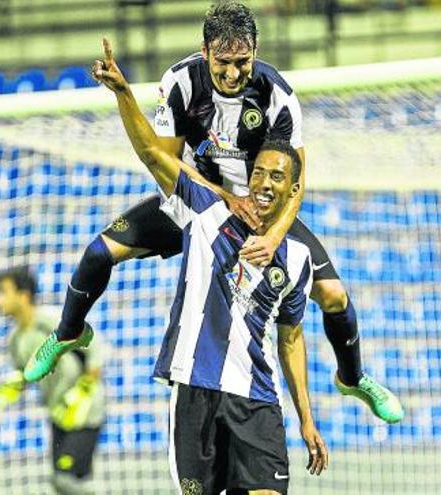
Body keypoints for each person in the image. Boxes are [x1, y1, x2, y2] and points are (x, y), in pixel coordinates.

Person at [25, 0, 402, 424]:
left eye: (242, 62)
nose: (232, 73)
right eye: (223, 62)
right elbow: (166, 168)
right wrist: (222, 198)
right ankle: (69, 332)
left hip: (261, 209)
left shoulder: (277, 96)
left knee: (334, 295)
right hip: (196, 201)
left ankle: (353, 377)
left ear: (255, 52)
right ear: (205, 53)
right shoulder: (181, 83)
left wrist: (273, 235)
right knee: (98, 253)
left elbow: (295, 182)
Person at [87, 39, 329, 494]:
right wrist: (124, 95)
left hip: (257, 401)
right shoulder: (206, 209)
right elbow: (153, 154)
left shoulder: (296, 258)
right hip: (194, 389)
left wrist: (307, 420)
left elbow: (292, 340)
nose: (264, 183)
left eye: (278, 177)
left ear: (294, 188)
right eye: (258, 172)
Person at [0, 267, 106, 495]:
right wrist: (13, 386)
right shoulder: (15, 339)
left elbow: (97, 350)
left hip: (84, 415)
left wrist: (83, 392)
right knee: (68, 483)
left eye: (4, 292)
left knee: (64, 480)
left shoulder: (54, 321)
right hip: (57, 416)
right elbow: (24, 373)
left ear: (23, 295)